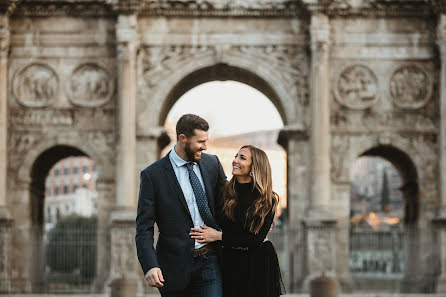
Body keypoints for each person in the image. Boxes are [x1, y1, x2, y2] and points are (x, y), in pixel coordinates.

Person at [135, 114, 226, 297]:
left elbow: (231, 203)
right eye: (200, 141)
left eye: (206, 141)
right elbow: (144, 228)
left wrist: (260, 213)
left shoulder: (212, 164)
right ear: (183, 138)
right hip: (173, 268)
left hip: (210, 261)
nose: (205, 146)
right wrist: (150, 265)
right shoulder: (153, 176)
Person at [190, 145, 285, 297]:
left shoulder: (267, 199)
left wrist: (219, 236)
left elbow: (255, 240)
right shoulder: (224, 193)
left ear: (255, 166)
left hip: (258, 262)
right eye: (236, 156)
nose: (235, 160)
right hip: (229, 260)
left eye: (242, 158)